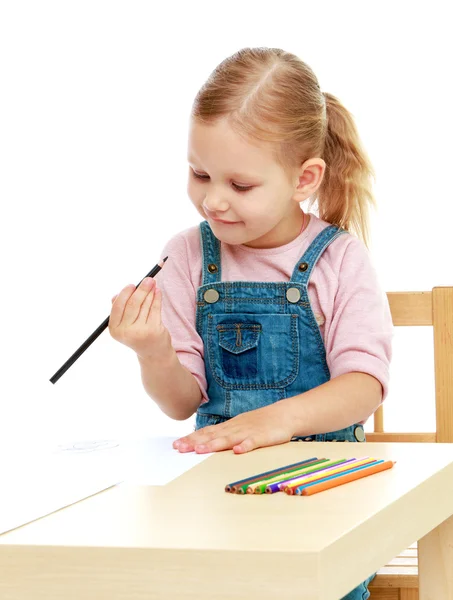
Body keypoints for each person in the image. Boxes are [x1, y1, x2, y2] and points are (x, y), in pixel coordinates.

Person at [109, 47, 393, 600]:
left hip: (325, 492)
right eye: (199, 173)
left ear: (304, 178)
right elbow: (180, 403)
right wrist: (152, 350)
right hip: (218, 497)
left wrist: (275, 422)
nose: (212, 200)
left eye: (240, 186)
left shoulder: (339, 259)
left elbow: (364, 388)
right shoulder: (187, 255)